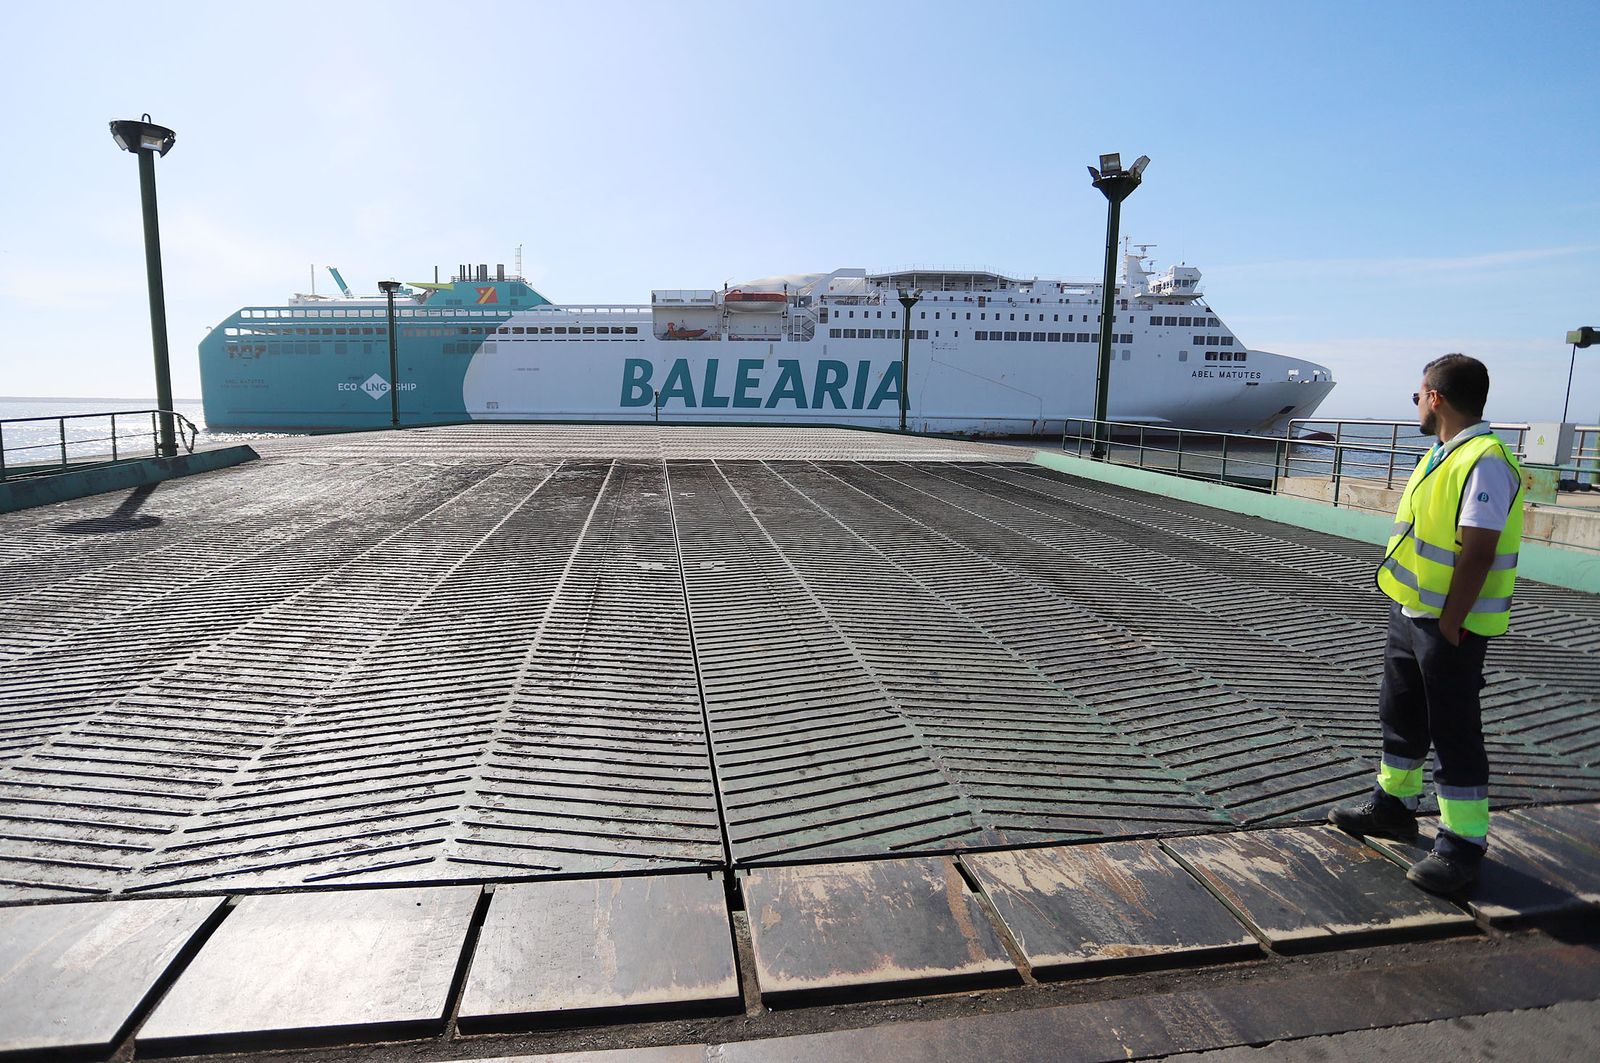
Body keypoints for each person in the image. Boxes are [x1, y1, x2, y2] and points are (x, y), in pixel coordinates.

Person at [1329, 353, 1523, 894]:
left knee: (1453, 730)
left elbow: (1479, 550)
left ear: (1435, 398)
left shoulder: (1484, 459)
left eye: (1418, 396)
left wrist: (1452, 622)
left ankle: (1462, 847)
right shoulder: (1444, 452)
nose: (1416, 404)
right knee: (1401, 711)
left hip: (1449, 623)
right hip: (1412, 613)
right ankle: (1394, 805)